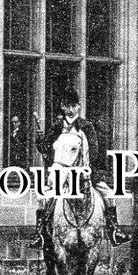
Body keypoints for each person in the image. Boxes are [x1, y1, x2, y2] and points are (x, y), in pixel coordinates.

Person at [30, 88, 130, 249]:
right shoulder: (57, 126)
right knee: (43, 197)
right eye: (67, 106)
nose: (70, 110)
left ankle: (114, 230)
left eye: (74, 106)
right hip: (61, 172)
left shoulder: (87, 126)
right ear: (62, 107)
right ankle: (40, 234)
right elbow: (46, 150)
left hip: (85, 172)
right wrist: (40, 140)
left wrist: (84, 168)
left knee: (107, 194)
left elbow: (95, 150)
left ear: (79, 107)